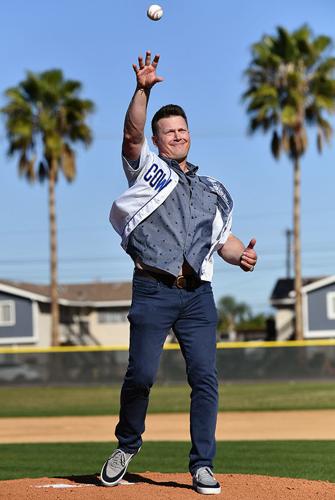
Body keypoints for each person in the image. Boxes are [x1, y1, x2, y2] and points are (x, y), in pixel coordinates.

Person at [101, 51, 257, 495]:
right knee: (142, 375)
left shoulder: (212, 189)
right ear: (157, 138)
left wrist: (238, 255)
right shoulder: (147, 171)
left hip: (197, 297)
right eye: (169, 131)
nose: (178, 135)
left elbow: (222, 240)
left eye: (183, 130)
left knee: (205, 378)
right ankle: (126, 446)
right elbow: (132, 136)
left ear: (191, 136)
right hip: (153, 288)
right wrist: (143, 90)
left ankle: (202, 465)